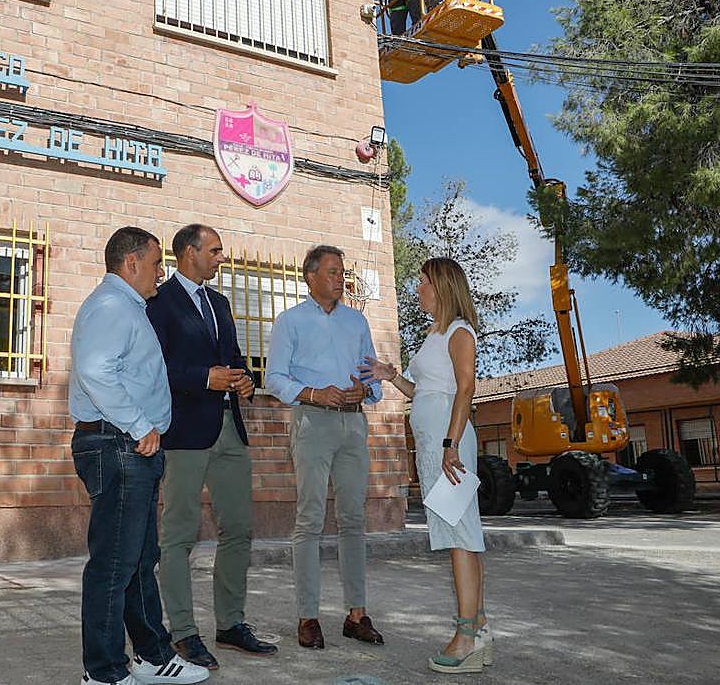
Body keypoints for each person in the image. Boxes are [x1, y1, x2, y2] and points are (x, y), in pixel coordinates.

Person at [69, 226, 210, 685]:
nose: (160, 273)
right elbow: (95, 372)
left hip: (132, 446)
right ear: (131, 264)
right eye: (154, 264)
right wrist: (139, 425)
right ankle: (104, 672)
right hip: (118, 444)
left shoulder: (130, 307)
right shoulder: (111, 306)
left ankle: (152, 656)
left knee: (138, 558)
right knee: (114, 564)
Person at [146, 224, 278, 670]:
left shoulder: (221, 303)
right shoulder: (158, 303)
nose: (222, 257)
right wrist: (205, 378)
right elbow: (156, 368)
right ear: (188, 253)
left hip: (229, 430)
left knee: (239, 528)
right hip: (183, 434)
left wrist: (244, 380)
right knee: (179, 535)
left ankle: (231, 624)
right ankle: (183, 632)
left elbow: (236, 358)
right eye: (215, 250)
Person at [359, 257, 491, 675]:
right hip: (435, 441)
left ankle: (466, 635)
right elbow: (426, 390)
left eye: (422, 282)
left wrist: (451, 444)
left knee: (461, 536)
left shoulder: (459, 330)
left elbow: (466, 387)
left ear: (442, 286)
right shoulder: (435, 333)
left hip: (447, 442)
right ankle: (480, 628)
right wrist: (389, 376)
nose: (417, 289)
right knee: (459, 532)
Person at [266, 245, 385, 650]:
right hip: (312, 424)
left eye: (342, 272)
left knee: (353, 520)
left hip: (353, 425)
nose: (340, 278)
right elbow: (275, 379)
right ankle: (308, 616)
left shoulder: (357, 321)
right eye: (333, 271)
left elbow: (376, 382)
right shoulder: (290, 322)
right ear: (311, 276)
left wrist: (363, 389)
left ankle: (356, 614)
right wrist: (315, 393)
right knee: (310, 520)